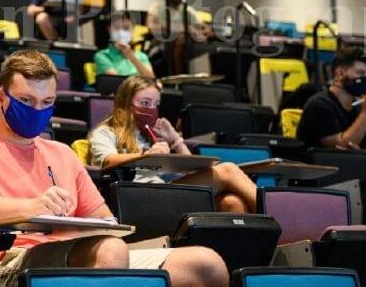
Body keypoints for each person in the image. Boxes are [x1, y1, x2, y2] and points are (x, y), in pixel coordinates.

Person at [0, 51, 229, 287]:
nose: (37, 110)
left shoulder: (62, 154)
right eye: (26, 100)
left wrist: (80, 226)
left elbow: (103, 220)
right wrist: (33, 208)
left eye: (46, 103)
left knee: (207, 265)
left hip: (86, 254)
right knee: (109, 251)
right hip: (8, 262)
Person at [89, 76, 256, 212]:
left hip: (164, 192)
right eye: (145, 103)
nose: (152, 110)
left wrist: (175, 139)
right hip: (137, 198)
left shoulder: (149, 135)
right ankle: (278, 217)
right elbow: (107, 161)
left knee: (232, 203)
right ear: (125, 103)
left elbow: (196, 169)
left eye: (156, 105)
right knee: (228, 169)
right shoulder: (105, 132)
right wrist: (147, 155)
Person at [296, 46, 366, 149]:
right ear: (340, 74)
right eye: (360, 73)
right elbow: (342, 146)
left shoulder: (361, 106)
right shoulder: (319, 105)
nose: (365, 80)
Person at [147, 0, 209, 75]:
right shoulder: (157, 7)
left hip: (189, 43)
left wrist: (200, 31)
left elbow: (204, 28)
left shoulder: (188, 10)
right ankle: (179, 79)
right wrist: (182, 29)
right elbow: (152, 28)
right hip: (162, 43)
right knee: (180, 38)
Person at [93, 11, 154, 78]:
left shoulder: (142, 56)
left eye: (126, 28)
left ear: (133, 29)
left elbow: (151, 79)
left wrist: (131, 57)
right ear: (109, 29)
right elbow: (117, 82)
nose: (121, 32)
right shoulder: (102, 56)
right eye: (117, 28)